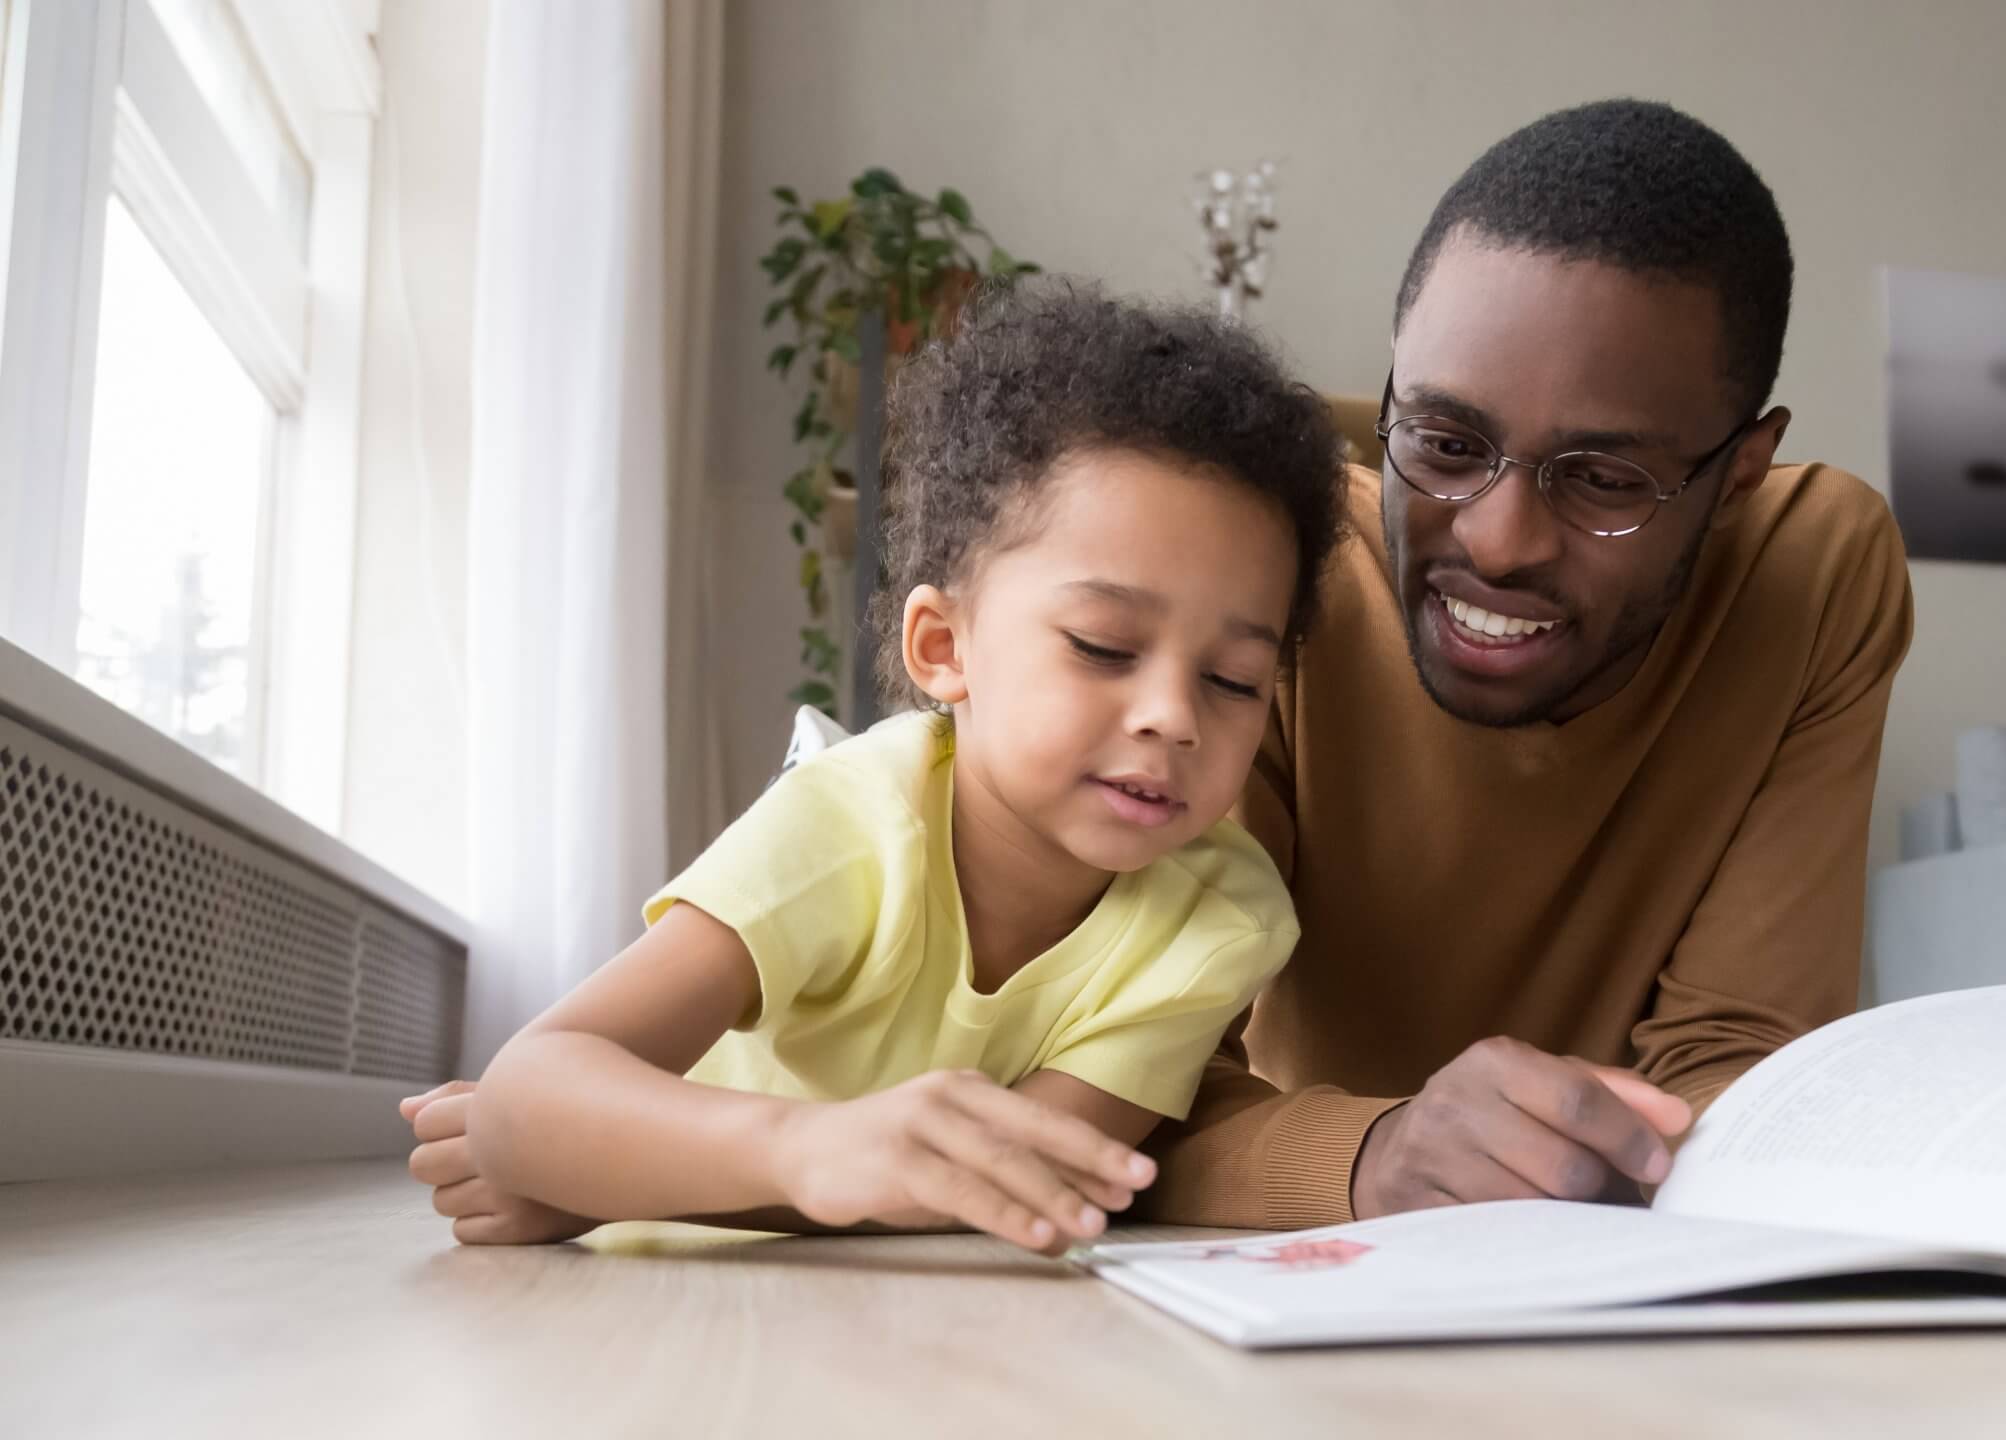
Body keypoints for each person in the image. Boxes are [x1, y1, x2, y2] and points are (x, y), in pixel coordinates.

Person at [407, 97, 1914, 1235]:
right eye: (1443, 444)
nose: (1501, 541)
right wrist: (668, 1160)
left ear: (1742, 469)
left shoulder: (1815, 571)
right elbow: (1110, 1136)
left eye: (1605, 480)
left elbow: (1066, 1159)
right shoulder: (1269, 568)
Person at [403, 281, 1345, 1253]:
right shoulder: (854, 819)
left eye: (1234, 679)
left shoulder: (1223, 916)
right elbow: (527, 1092)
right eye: (1104, 646)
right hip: (670, 1322)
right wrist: (801, 1153)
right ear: (943, 647)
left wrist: (617, 1179)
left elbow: (1033, 1187)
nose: (1171, 716)